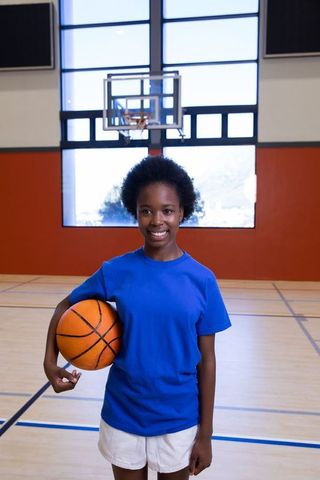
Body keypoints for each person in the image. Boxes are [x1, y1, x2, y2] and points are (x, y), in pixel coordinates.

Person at [44, 155, 231, 480]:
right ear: (136, 214)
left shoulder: (202, 280)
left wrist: (206, 434)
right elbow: (64, 307)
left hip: (178, 415)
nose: (157, 220)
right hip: (123, 411)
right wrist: (50, 360)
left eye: (167, 210)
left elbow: (208, 361)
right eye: (147, 211)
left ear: (182, 212)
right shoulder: (117, 270)